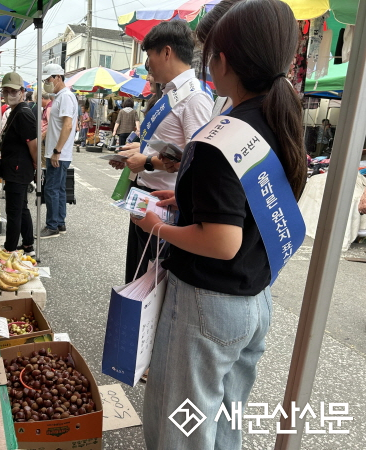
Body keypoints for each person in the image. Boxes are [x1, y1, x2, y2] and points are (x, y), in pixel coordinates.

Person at [134, 1, 307, 448]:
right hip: (254, 300)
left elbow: (222, 239)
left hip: (207, 305)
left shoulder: (220, 136)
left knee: (181, 428)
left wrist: (157, 225)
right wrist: (187, 198)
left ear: (222, 61)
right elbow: (247, 207)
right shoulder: (280, 119)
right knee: (224, 420)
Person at [113, 21, 214, 283]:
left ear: (166, 52)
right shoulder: (171, 93)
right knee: (136, 275)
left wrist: (146, 161)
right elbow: (169, 142)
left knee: (151, 281)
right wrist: (136, 150)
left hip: (164, 199)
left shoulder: (194, 98)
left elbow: (197, 159)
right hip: (145, 194)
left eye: (149, 55)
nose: (149, 64)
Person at [0, 72, 37, 255]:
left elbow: (33, 144)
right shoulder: (16, 111)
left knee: (14, 211)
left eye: (13, 91)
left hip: (18, 170)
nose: (9, 94)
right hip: (16, 168)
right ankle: (27, 244)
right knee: (21, 208)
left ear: (22, 91)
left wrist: (36, 165)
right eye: (6, 90)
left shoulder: (23, 113)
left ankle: (9, 249)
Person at [40, 64, 78, 238]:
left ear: (58, 77)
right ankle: (60, 222)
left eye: (48, 80)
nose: (47, 83)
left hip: (58, 153)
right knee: (59, 188)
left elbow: (68, 125)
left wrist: (57, 150)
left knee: (52, 188)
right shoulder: (60, 97)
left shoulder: (65, 97)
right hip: (58, 151)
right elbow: (58, 125)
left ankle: (52, 225)